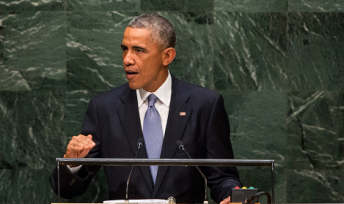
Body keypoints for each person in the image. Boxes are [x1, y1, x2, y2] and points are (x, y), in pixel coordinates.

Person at [50, 14, 241, 203]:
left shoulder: (204, 104)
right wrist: (71, 163)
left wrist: (233, 196)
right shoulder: (105, 108)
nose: (127, 59)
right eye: (125, 49)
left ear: (167, 56)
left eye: (139, 51)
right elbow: (66, 190)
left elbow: (223, 177)